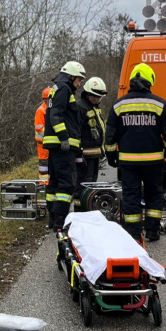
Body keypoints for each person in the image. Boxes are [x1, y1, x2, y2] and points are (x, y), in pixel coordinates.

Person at [105, 63, 166, 242]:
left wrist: (112, 156)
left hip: (128, 162)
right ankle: (153, 231)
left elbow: (111, 134)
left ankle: (134, 234)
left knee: (131, 196)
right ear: (150, 80)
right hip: (154, 162)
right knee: (154, 195)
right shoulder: (160, 103)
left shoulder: (118, 104)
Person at [43, 61, 85, 231]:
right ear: (71, 76)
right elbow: (57, 114)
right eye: (78, 79)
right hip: (62, 147)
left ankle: (53, 221)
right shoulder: (64, 89)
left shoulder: (57, 89)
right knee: (66, 185)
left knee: (53, 184)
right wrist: (64, 137)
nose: (79, 83)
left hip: (55, 146)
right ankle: (60, 223)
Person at [73, 77, 107, 206]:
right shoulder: (80, 107)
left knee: (92, 184)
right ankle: (79, 209)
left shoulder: (94, 107)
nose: (97, 98)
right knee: (82, 184)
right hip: (84, 156)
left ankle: (88, 206)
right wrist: (78, 153)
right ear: (87, 93)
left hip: (94, 155)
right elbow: (76, 131)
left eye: (99, 96)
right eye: (94, 96)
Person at [33, 87, 52, 184]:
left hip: (50, 144)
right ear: (45, 99)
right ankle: (44, 185)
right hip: (43, 145)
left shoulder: (51, 110)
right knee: (44, 166)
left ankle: (49, 184)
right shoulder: (41, 111)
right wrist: (51, 135)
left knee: (51, 166)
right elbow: (39, 129)